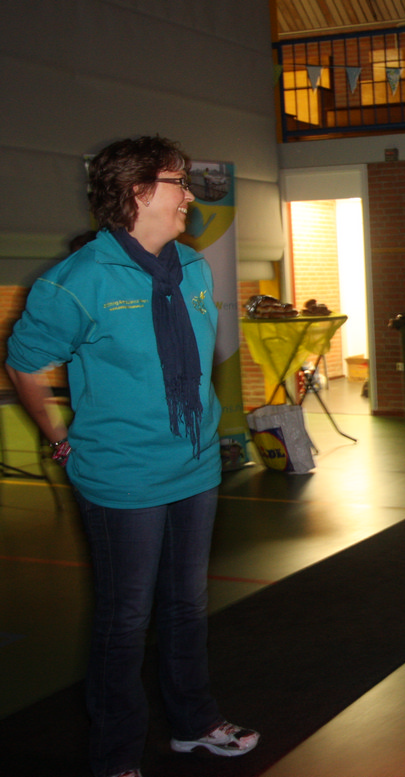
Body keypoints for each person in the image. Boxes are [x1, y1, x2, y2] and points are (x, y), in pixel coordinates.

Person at [4, 136, 258, 777]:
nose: (190, 195)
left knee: (187, 606)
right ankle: (116, 755)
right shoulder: (77, 281)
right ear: (139, 191)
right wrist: (57, 436)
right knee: (125, 619)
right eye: (178, 182)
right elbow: (25, 364)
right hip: (122, 476)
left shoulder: (193, 267)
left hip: (195, 467)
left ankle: (193, 723)